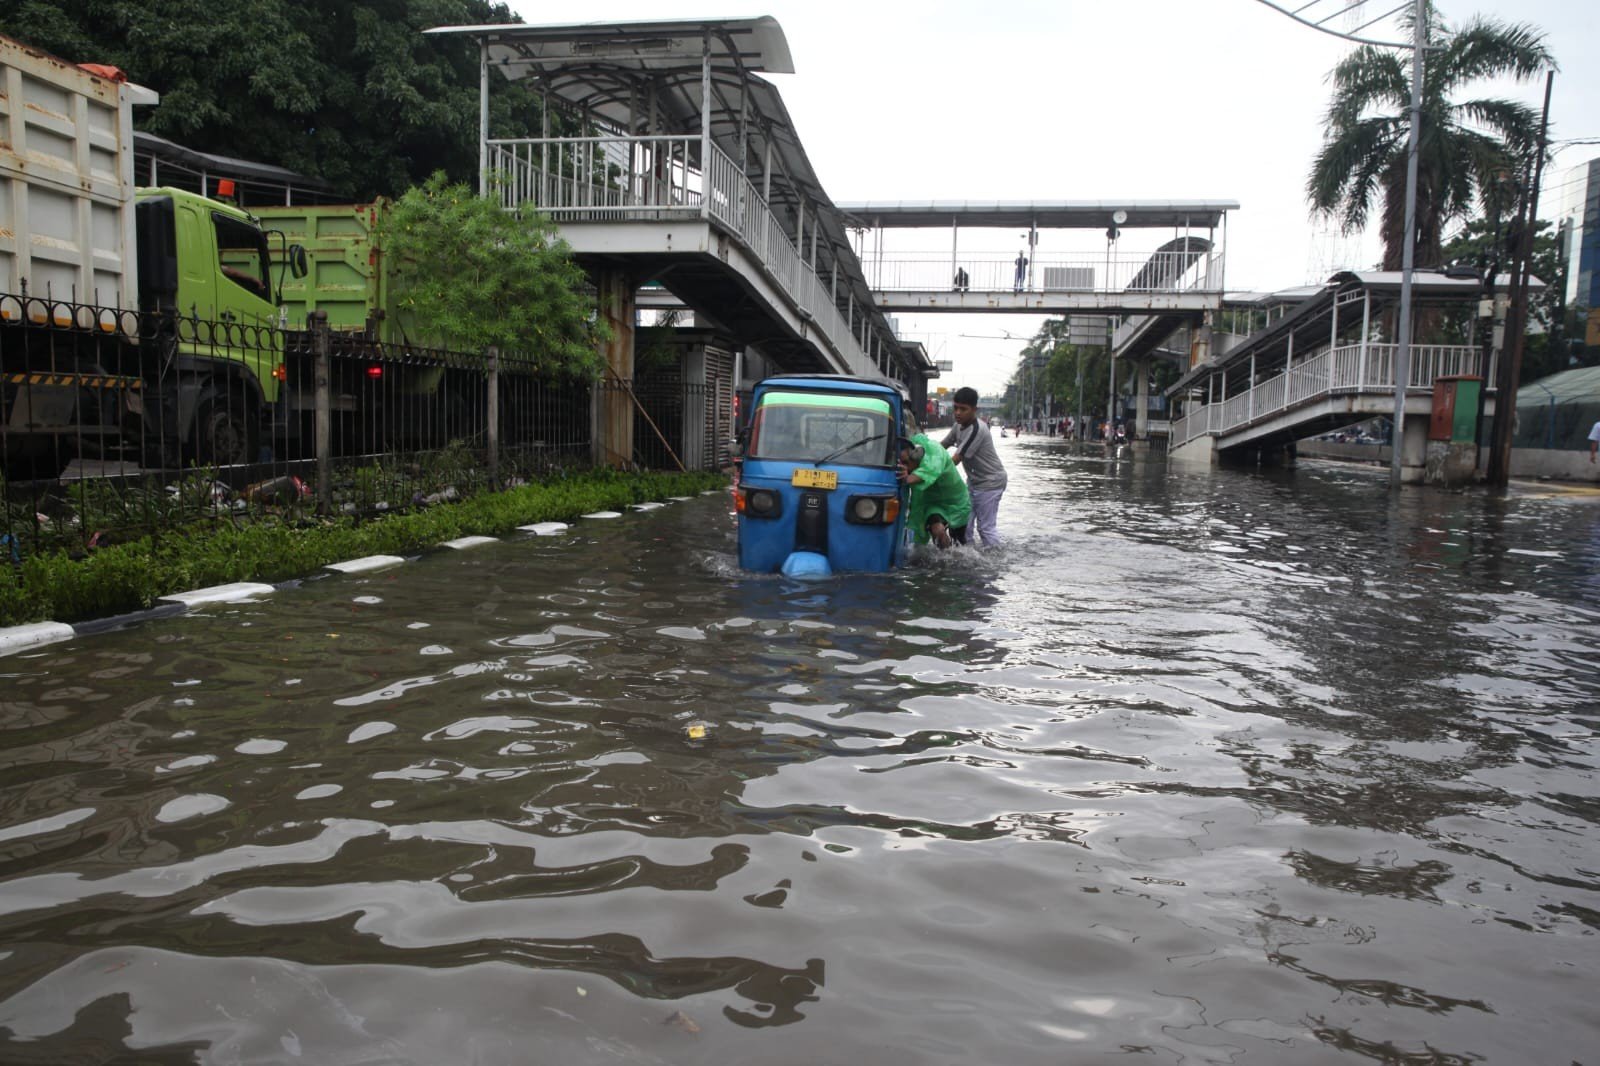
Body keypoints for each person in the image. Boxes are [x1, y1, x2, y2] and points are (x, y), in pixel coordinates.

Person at [941, 386, 1007, 547]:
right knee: (963, 524)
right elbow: (942, 446)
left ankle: (995, 562)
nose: (958, 413)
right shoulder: (958, 425)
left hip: (991, 482)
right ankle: (967, 560)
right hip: (974, 481)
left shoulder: (977, 429)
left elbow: (955, 459)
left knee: (985, 528)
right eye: (955, 408)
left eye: (963, 409)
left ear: (974, 410)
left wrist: (931, 473)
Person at [898, 433, 970, 549]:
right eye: (900, 463)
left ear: (916, 456)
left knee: (959, 542)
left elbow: (932, 469)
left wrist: (907, 478)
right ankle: (944, 557)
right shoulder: (913, 469)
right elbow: (916, 508)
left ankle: (954, 559)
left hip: (956, 502)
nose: (903, 467)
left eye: (906, 463)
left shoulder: (935, 451)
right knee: (937, 530)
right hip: (932, 504)